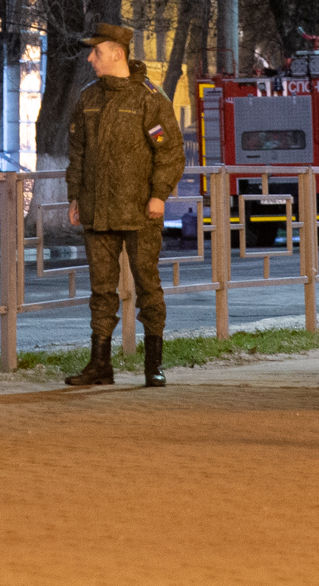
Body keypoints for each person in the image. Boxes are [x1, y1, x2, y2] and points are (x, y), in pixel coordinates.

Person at [61, 22, 185, 389]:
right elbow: (77, 152)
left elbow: (170, 151)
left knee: (148, 285)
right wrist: (75, 196)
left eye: (96, 52)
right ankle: (100, 365)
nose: (90, 58)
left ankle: (154, 365)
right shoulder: (89, 98)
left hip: (140, 211)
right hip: (97, 210)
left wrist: (159, 195)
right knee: (101, 290)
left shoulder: (149, 97)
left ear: (117, 52)